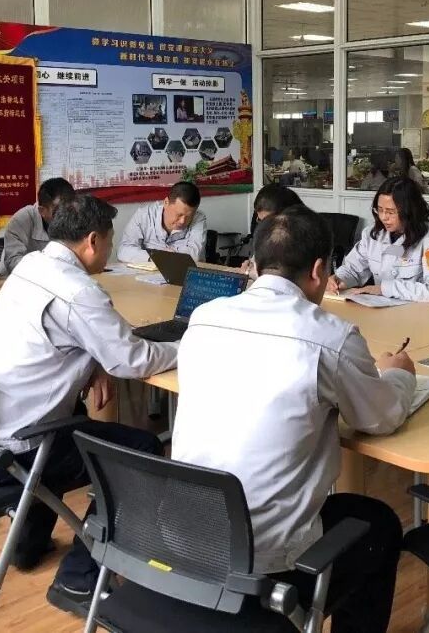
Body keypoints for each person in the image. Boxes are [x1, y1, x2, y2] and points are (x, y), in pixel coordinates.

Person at [173, 205, 416, 633]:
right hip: (269, 559)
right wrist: (397, 374)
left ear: (255, 263)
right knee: (378, 524)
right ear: (319, 270)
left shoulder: (206, 318)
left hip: (184, 534)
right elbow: (380, 418)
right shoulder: (329, 336)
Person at [0, 194, 178, 615]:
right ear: (93, 241)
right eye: (110, 241)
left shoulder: (32, 265)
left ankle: (28, 545)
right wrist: (185, 347)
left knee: (72, 422)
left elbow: (73, 340)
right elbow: (131, 360)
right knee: (141, 449)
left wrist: (94, 359)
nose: (110, 249)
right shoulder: (79, 291)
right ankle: (79, 579)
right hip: (23, 439)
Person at [329, 176, 429, 302]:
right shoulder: (373, 234)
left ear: (409, 211)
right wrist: (339, 279)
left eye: (390, 212)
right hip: (383, 307)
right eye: (380, 210)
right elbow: (353, 269)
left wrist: (384, 289)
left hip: (422, 311)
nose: (384, 217)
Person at [0, 178, 75, 274]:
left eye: (70, 210)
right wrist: (47, 268)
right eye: (58, 212)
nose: (65, 217)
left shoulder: (75, 217)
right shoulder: (21, 220)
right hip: (15, 278)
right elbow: (13, 262)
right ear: (42, 211)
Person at [117, 181, 207, 262]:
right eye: (179, 215)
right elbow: (123, 251)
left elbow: (195, 255)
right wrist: (155, 257)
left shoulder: (198, 218)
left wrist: (166, 257)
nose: (182, 221)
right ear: (166, 202)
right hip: (148, 272)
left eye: (189, 216)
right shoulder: (144, 215)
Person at [239, 183, 303, 276]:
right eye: (260, 220)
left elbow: (285, 277)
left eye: (268, 221)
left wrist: (250, 272)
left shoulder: (302, 239)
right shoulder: (266, 234)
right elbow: (258, 263)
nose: (264, 227)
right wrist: (250, 265)